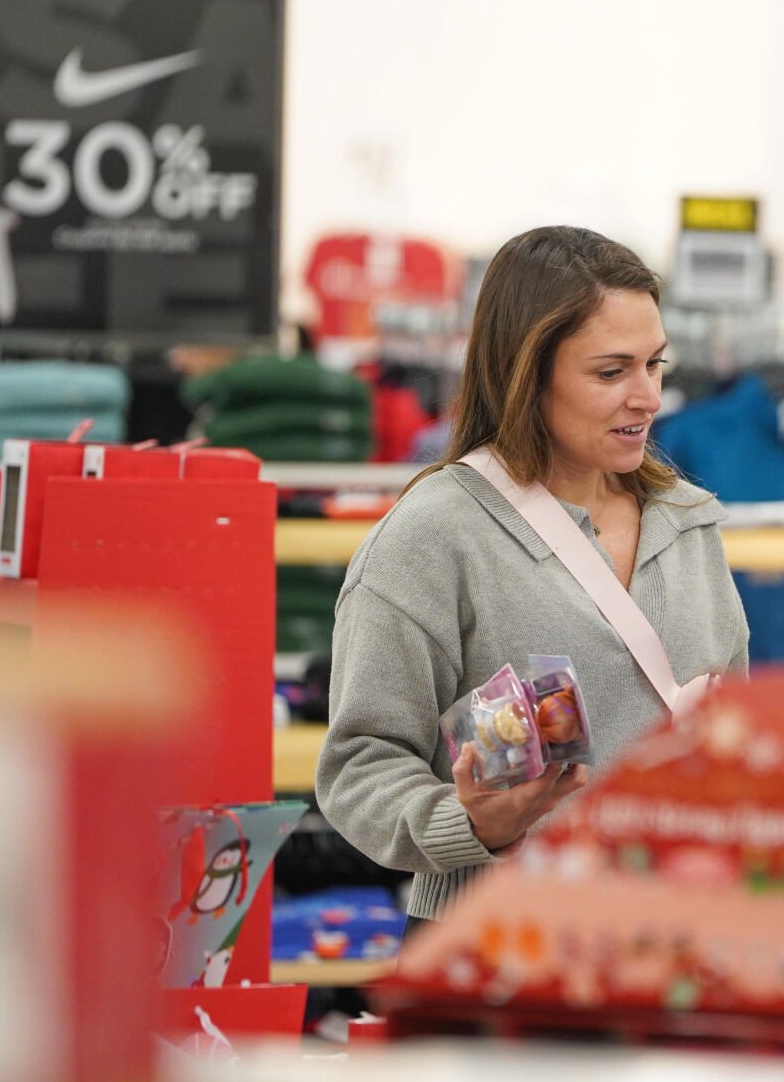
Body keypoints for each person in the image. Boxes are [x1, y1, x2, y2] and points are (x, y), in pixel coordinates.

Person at [317, 226, 750, 927]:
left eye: (655, 364)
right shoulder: (434, 535)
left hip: (671, 937)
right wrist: (473, 822)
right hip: (497, 944)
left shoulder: (686, 521)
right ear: (525, 372)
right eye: (611, 372)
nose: (648, 397)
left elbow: (733, 721)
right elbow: (360, 766)